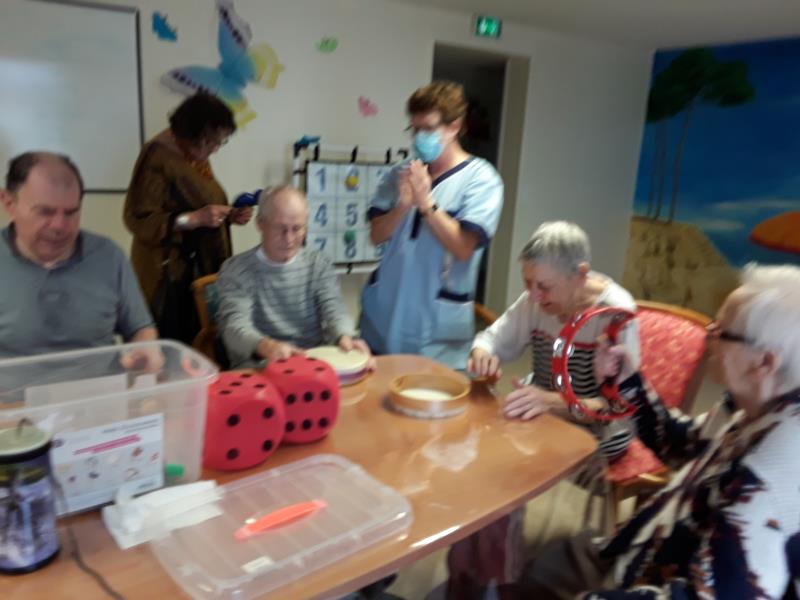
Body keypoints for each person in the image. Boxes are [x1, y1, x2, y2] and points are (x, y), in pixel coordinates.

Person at [523, 263, 800, 599]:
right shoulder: (746, 405)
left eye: (722, 331)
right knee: (542, 565)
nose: (709, 335)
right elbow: (681, 444)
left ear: (765, 362)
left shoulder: (770, 478)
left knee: (535, 576)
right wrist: (626, 382)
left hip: (654, 581)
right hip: (643, 548)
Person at [447, 221, 640, 599]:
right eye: (528, 283)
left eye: (544, 287)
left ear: (580, 274)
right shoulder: (537, 300)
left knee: (507, 470)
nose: (533, 296)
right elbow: (493, 338)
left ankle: (498, 581)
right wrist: (483, 354)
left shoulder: (617, 312)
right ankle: (471, 567)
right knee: (479, 449)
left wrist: (555, 402)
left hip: (600, 430)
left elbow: (619, 404)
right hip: (545, 412)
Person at [359, 80, 504, 369]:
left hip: (436, 335)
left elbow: (463, 248)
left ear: (454, 126)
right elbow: (376, 235)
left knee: (429, 394)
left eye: (428, 129)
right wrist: (403, 205)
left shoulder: (481, 180)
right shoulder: (399, 174)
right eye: (414, 129)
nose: (419, 138)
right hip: (382, 319)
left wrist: (426, 203)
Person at [0, 152, 157, 360]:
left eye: (71, 212)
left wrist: (145, 352)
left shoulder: (108, 256)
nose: (59, 226)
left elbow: (140, 328)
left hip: (101, 380)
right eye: (45, 212)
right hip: (14, 381)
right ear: (9, 204)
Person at [124, 92, 253, 344]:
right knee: (173, 349)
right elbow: (137, 219)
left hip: (198, 271)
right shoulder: (157, 157)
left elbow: (198, 203)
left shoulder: (194, 156)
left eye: (221, 141)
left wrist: (229, 215)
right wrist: (193, 219)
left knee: (202, 344)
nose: (216, 148)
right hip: (169, 279)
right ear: (191, 134)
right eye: (211, 141)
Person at [216, 185, 373, 369]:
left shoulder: (318, 264)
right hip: (258, 366)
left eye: (297, 228)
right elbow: (234, 327)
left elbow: (334, 309)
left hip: (312, 361)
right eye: (280, 228)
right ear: (260, 223)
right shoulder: (236, 270)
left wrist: (345, 336)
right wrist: (266, 346)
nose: (289, 239)